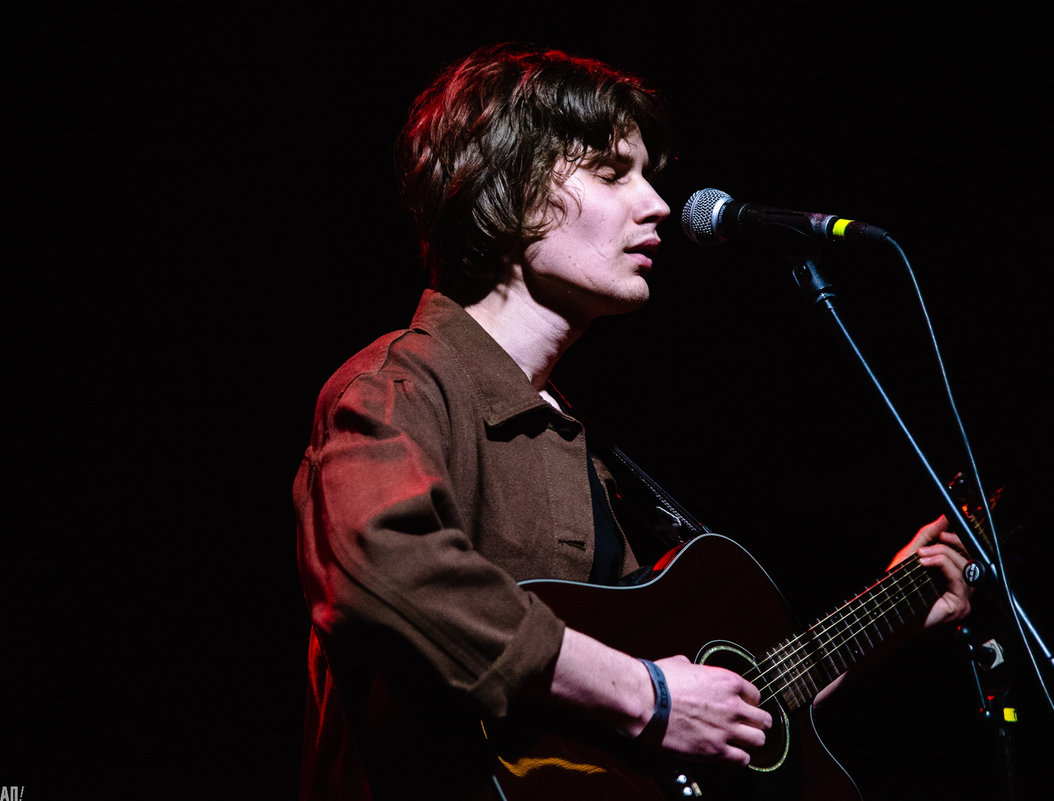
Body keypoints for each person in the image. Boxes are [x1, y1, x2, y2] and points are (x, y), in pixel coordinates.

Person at [293, 42, 974, 800]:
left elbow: (680, 716)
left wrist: (891, 614)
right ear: (508, 191)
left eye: (648, 175)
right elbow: (386, 572)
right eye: (613, 172)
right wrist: (647, 696)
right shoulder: (397, 388)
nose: (657, 204)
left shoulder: (582, 439)